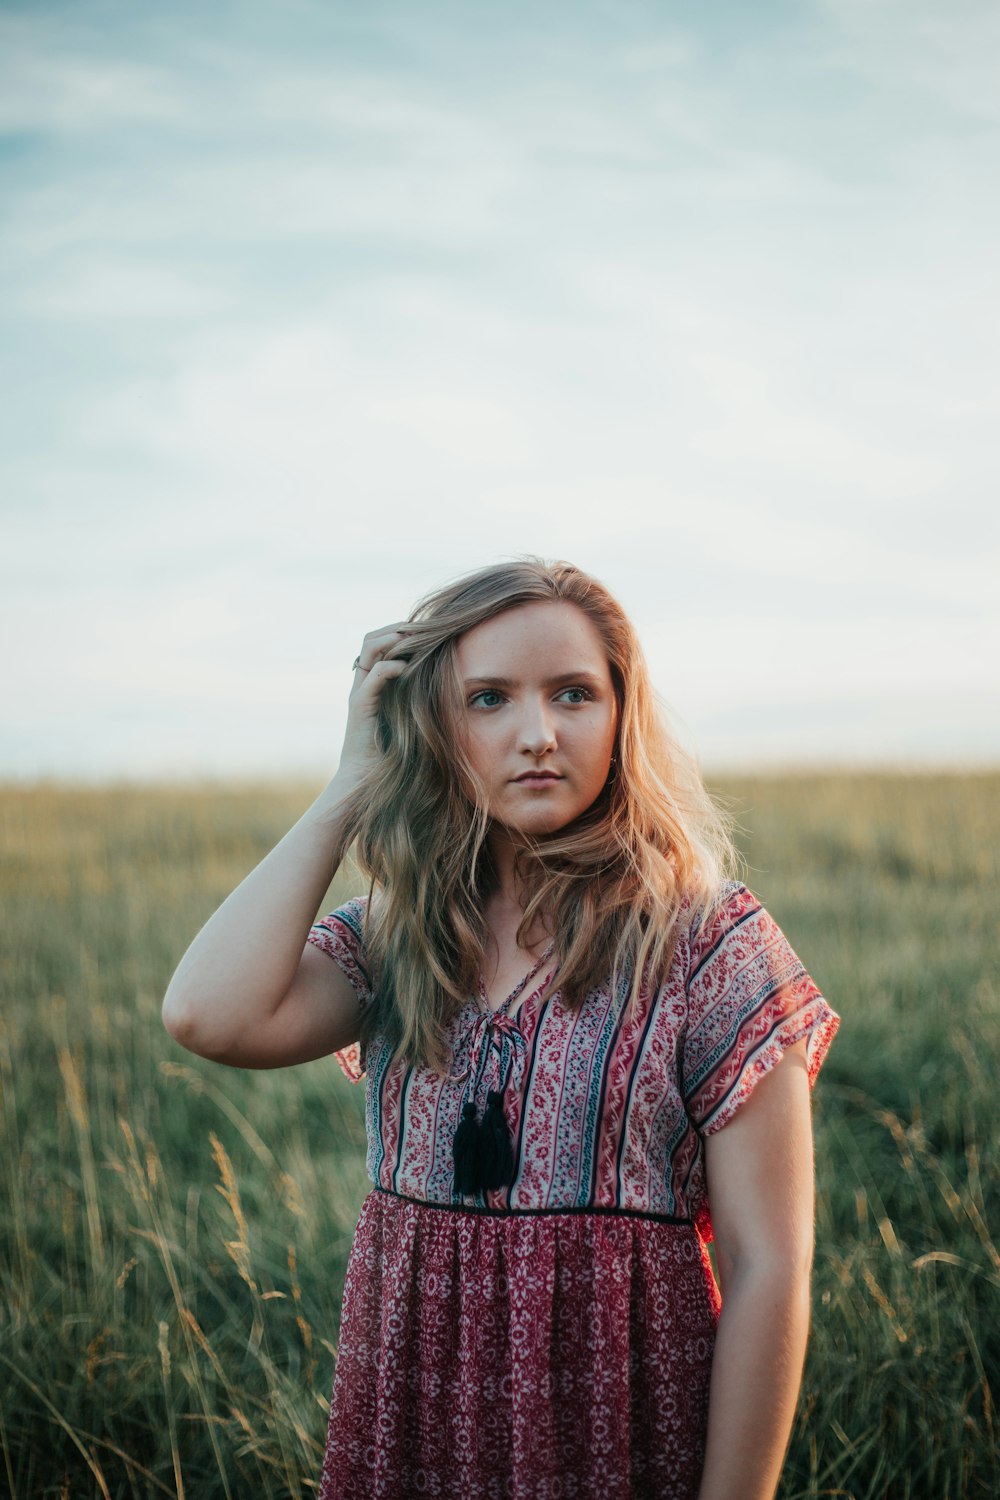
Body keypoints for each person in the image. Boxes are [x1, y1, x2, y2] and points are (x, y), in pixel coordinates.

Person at [162, 556, 840, 1500]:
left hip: (620, 1428)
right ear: (437, 727)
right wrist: (352, 782)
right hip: (416, 1420)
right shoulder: (398, 936)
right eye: (488, 699)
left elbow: (770, 1265)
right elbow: (207, 1013)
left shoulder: (707, 945)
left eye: (574, 694)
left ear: (620, 714)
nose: (537, 735)